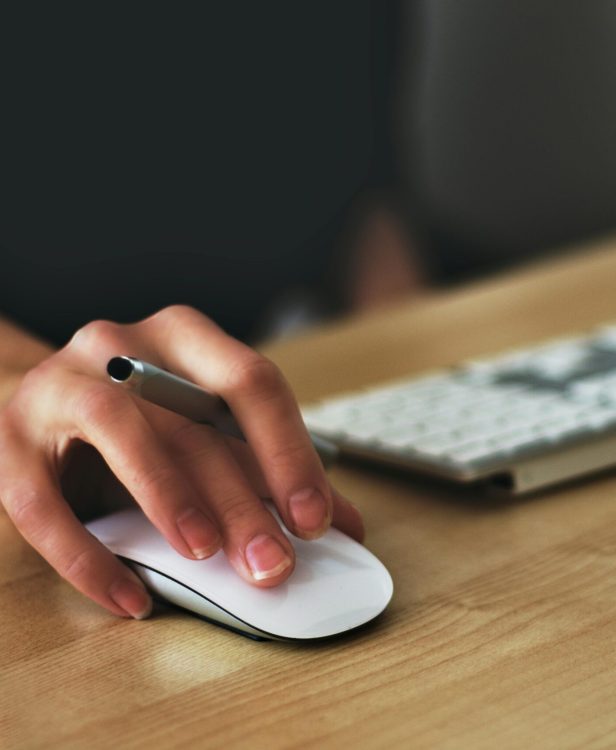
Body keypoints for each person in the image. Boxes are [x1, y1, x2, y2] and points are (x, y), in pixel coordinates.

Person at [0, 4, 409, 621]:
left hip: (242, 404)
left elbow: (371, 193)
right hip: (50, 396)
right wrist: (16, 389)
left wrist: (420, 371)